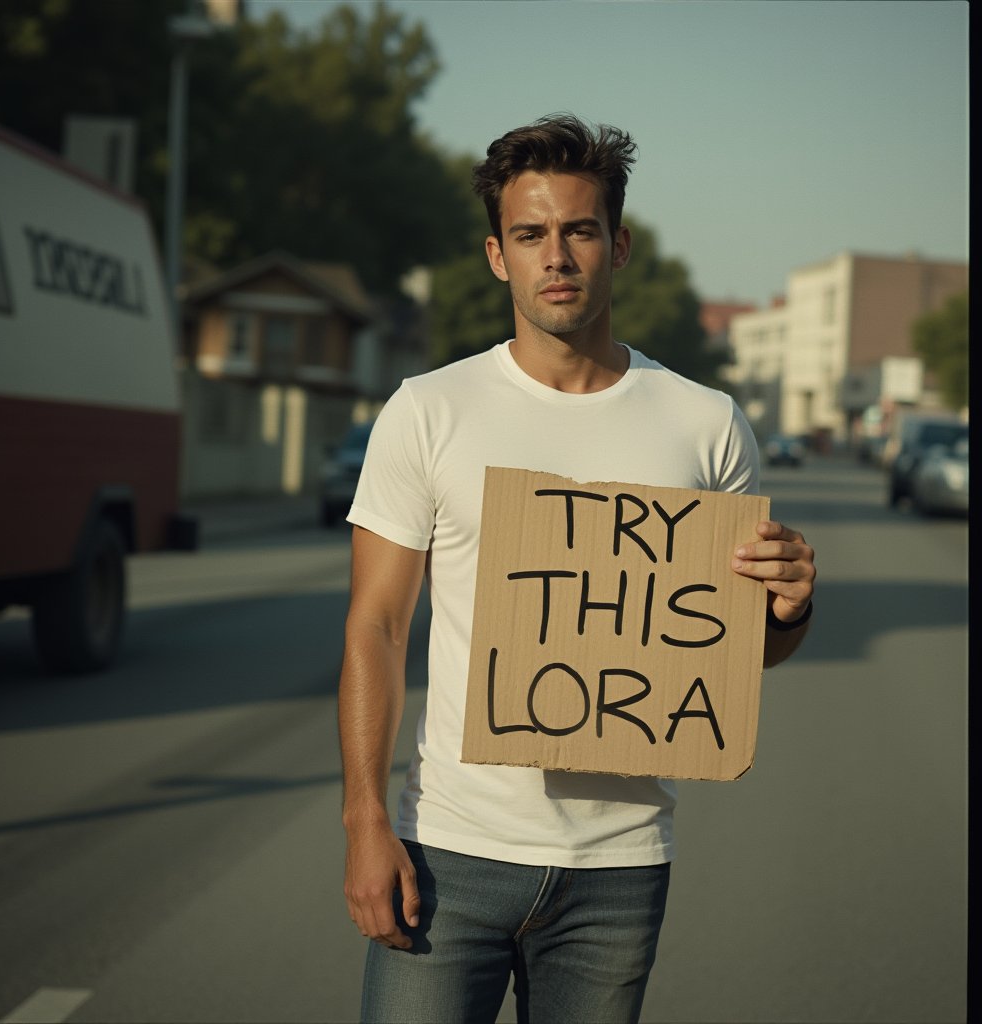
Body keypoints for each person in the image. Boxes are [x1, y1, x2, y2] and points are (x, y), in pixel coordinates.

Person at [338, 113, 816, 1023]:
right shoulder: (428, 411)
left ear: (617, 245)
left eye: (578, 230)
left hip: (620, 868)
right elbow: (377, 626)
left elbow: (735, 655)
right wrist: (365, 822)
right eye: (530, 235)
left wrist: (787, 611)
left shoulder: (705, 424)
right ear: (497, 256)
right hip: (449, 851)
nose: (555, 255)